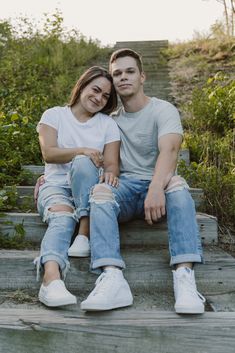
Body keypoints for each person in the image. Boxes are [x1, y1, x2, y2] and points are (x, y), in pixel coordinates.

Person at [79, 49, 205, 314]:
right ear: (112, 82)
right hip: (125, 190)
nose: (123, 77)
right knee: (101, 191)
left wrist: (156, 188)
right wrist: (49, 174)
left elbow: (169, 151)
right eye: (117, 74)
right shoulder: (109, 121)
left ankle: (184, 277)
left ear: (142, 76)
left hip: (159, 185)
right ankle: (112, 276)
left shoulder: (163, 109)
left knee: (179, 187)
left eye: (129, 71)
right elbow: (84, 151)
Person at [35, 66, 120, 307]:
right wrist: (82, 150)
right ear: (82, 85)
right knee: (61, 219)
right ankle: (51, 280)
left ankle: (84, 233)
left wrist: (109, 176)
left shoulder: (107, 124)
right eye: (95, 90)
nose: (99, 98)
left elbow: (112, 165)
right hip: (56, 187)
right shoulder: (53, 115)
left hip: (91, 191)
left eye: (105, 96)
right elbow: (49, 153)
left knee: (84, 164)